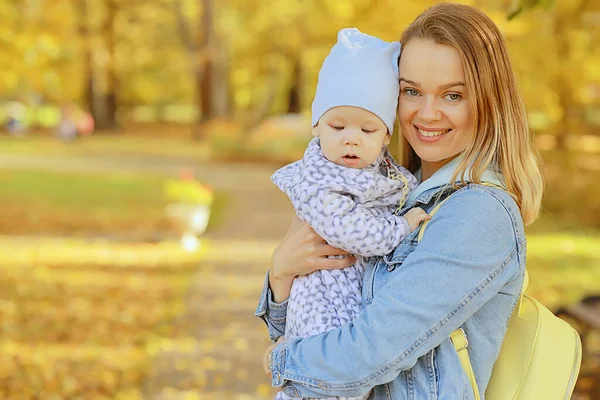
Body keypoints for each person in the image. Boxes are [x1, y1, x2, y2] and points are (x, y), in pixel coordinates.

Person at [255, 3, 544, 399]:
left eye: (452, 95)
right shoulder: (392, 194)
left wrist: (280, 362)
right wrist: (281, 273)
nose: (427, 114)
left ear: (488, 101)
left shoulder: (479, 213)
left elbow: (368, 353)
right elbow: (303, 326)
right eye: (411, 91)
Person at [270, 28, 430, 400]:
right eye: (337, 126)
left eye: (367, 128)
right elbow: (352, 231)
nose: (350, 138)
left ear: (386, 134)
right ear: (316, 127)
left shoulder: (379, 173)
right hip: (323, 305)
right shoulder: (320, 181)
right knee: (322, 384)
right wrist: (401, 226)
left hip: (351, 304)